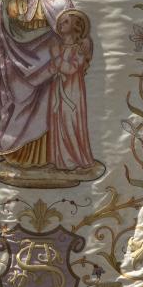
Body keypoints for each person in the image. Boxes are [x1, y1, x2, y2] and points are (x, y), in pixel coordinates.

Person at [0, 0, 77, 168]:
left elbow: (70, 30)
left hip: (49, 64)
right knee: (17, 102)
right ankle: (11, 151)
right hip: (16, 63)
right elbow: (6, 26)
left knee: (45, 106)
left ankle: (46, 158)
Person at [45, 9, 95, 171]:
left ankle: (75, 159)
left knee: (70, 122)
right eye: (60, 22)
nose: (60, 24)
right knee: (57, 121)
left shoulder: (79, 48)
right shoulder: (59, 47)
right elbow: (54, 68)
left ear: (76, 26)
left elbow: (70, 69)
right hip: (58, 89)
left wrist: (55, 56)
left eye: (65, 22)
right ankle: (60, 160)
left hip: (72, 92)